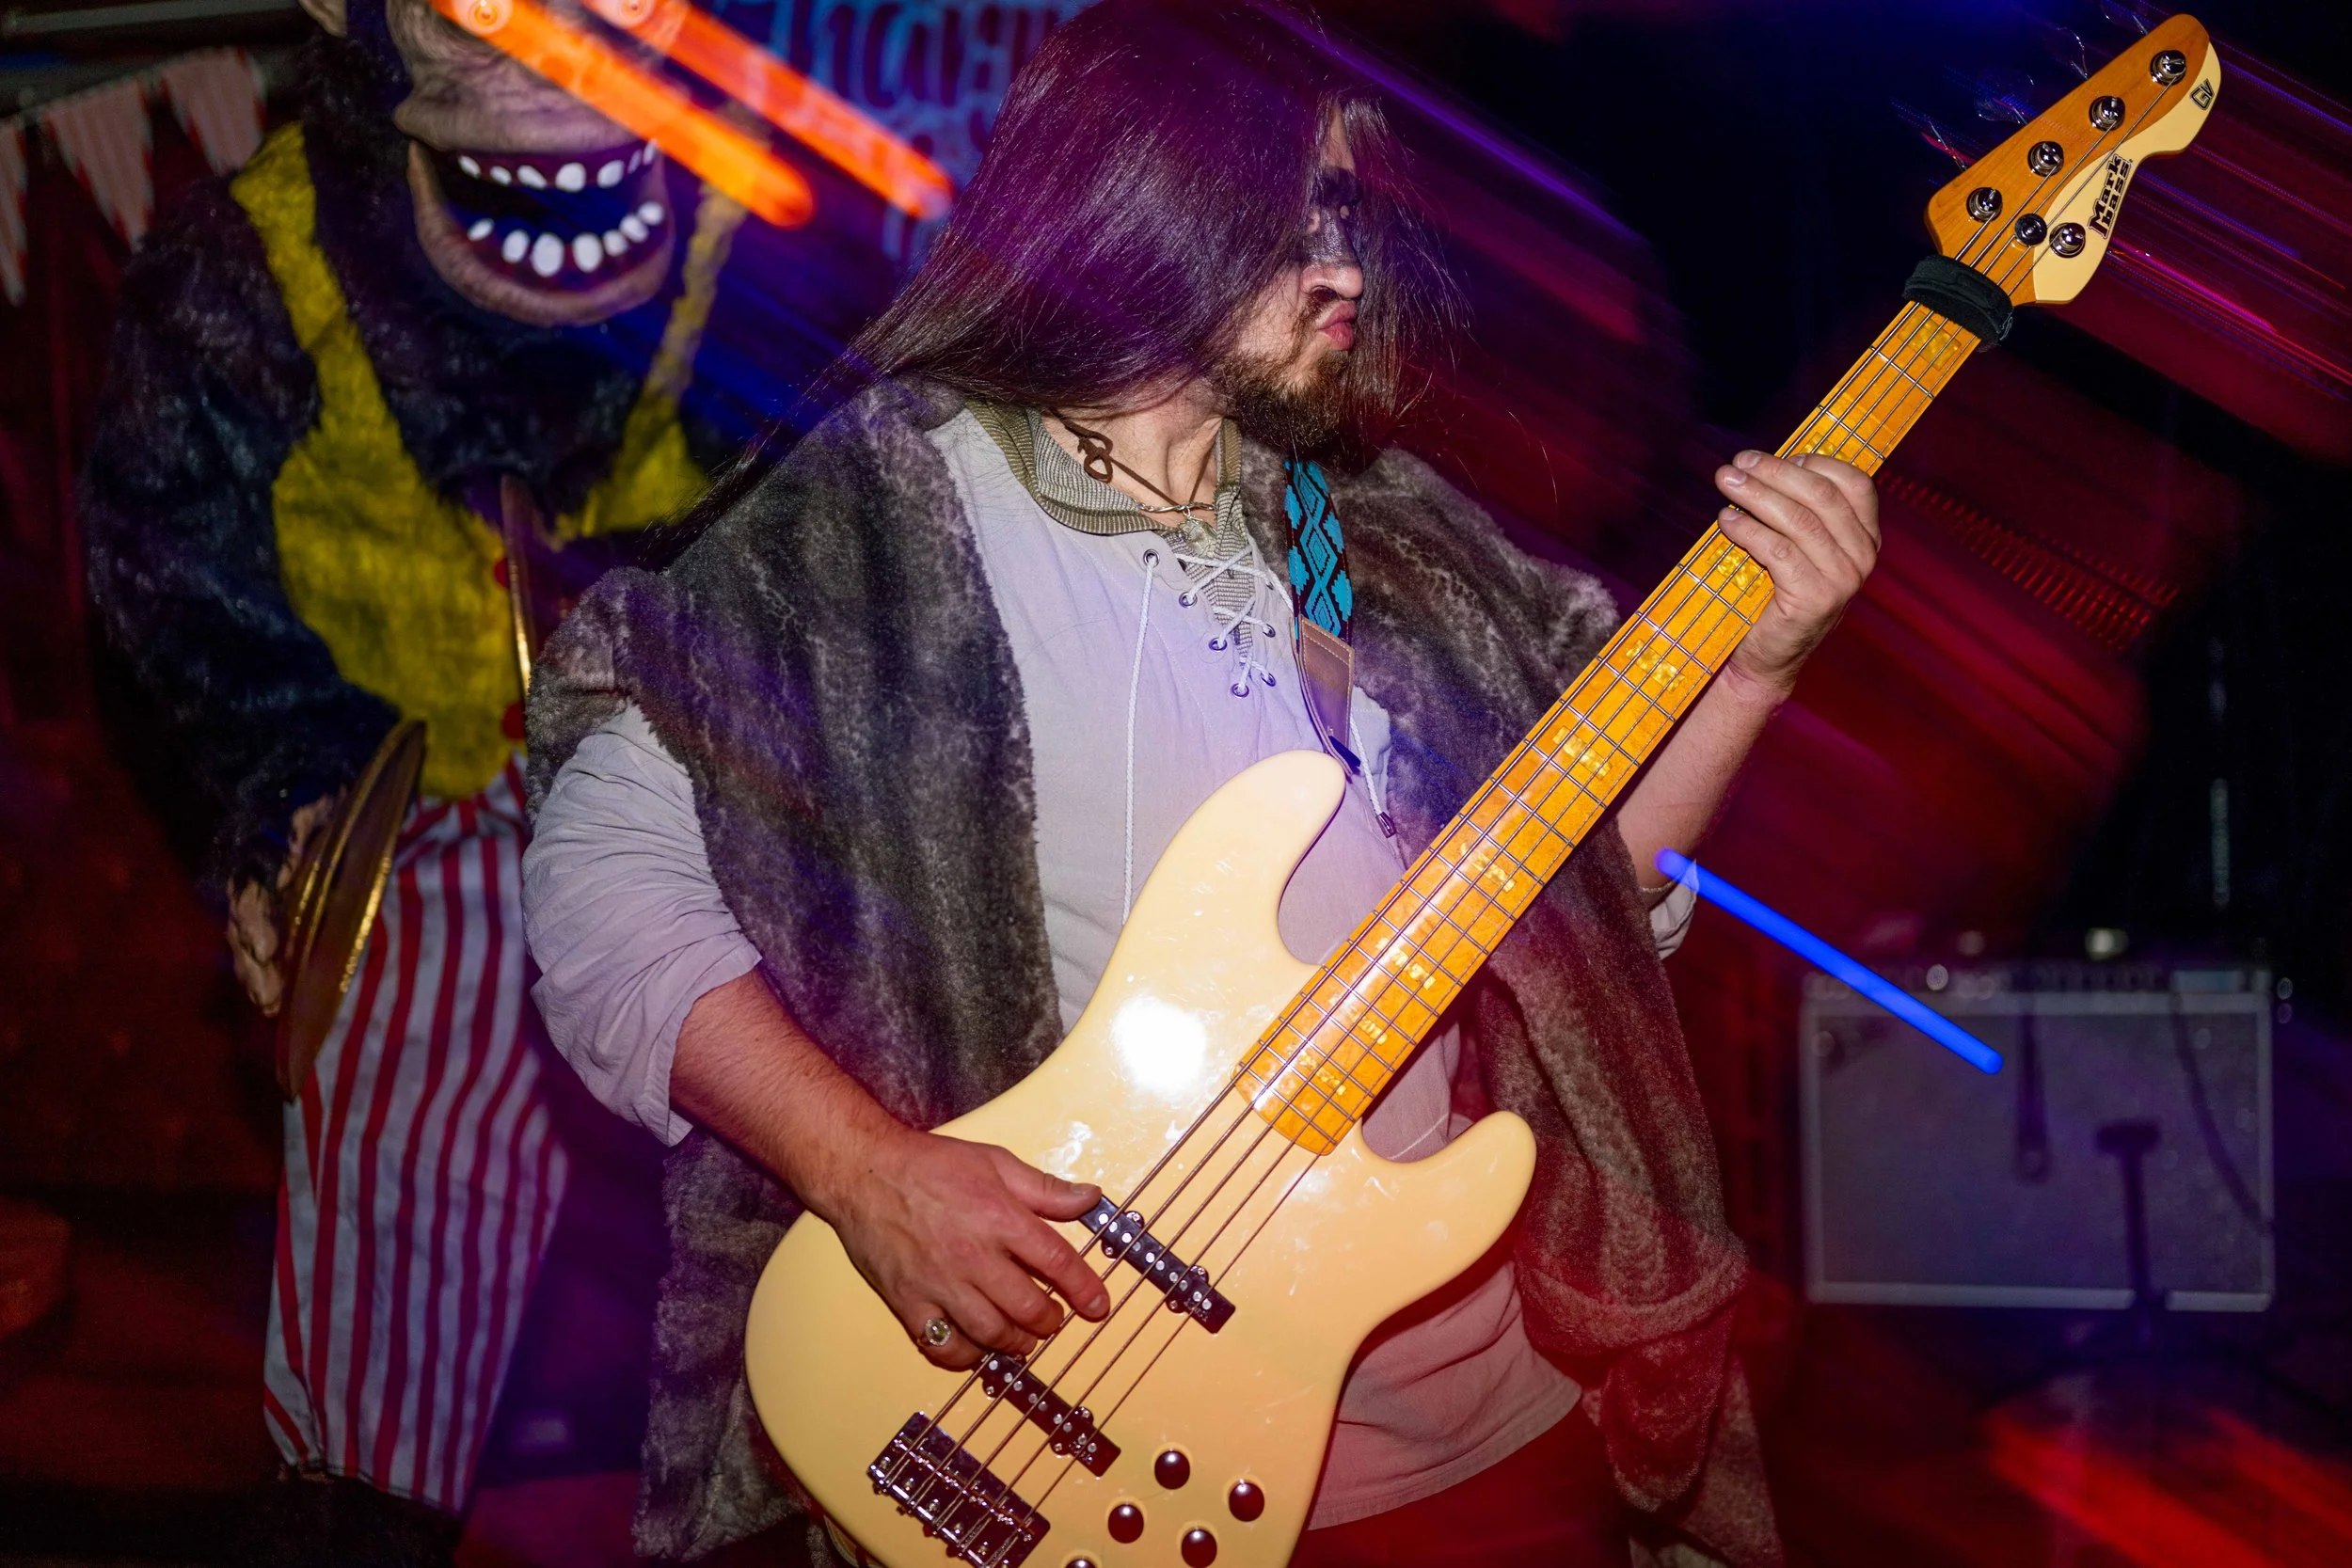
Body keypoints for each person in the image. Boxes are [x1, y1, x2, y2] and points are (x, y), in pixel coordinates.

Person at [520, 1, 1879, 1562]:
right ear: (1144, 203)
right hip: (1100, 1408)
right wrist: (869, 1174)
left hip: (1494, 1422)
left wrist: (1759, 671)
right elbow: (604, 882)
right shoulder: (885, 525)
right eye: (1298, 215)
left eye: (1351, 216)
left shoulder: (1389, 534)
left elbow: (1576, 916)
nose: (1349, 266)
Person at [77, 0, 898, 1559]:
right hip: (421, 805)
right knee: (410, 1115)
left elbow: (838, 528)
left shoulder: (775, 230)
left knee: (806, 1186)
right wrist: (280, 797)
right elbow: (171, 573)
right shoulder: (247, 275)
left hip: (697, 789)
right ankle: (364, 1503)